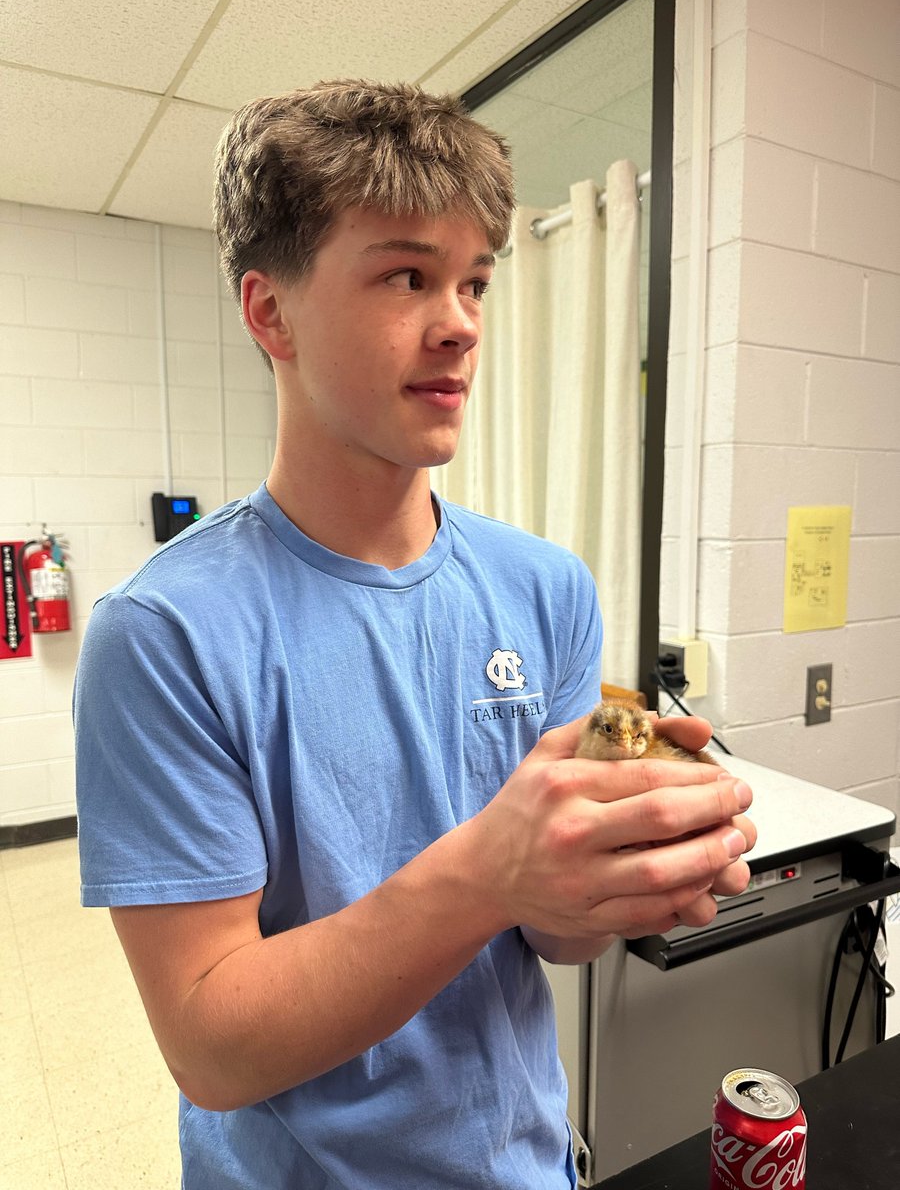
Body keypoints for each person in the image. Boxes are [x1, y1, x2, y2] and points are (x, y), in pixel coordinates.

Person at [74, 80, 755, 1189]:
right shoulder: (163, 637)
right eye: (406, 276)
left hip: (527, 1165)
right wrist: (490, 871)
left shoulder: (545, 589)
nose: (460, 322)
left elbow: (554, 939)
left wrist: (632, 872)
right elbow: (210, 1044)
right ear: (270, 313)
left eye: (473, 280)